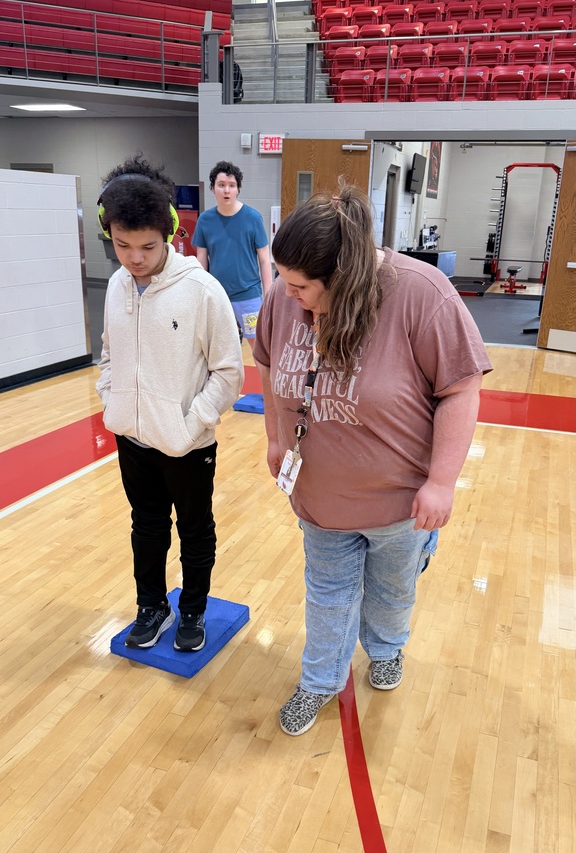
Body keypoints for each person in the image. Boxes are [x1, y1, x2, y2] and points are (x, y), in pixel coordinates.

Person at [253, 184, 492, 736]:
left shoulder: (420, 293)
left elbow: (461, 387)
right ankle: (319, 681)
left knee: (389, 597)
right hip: (322, 500)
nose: (289, 297)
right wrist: (275, 437)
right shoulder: (284, 295)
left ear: (345, 278)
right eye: (284, 283)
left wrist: (442, 482)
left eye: (303, 287)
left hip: (399, 504)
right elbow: (266, 363)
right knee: (329, 595)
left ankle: (387, 646)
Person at [96, 154, 243, 653]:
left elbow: (229, 371)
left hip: (187, 442)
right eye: (122, 245)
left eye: (147, 247)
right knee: (147, 525)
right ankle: (151, 606)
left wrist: (191, 423)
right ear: (109, 232)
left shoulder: (201, 290)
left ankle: (194, 611)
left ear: (171, 233)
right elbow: (109, 351)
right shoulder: (117, 285)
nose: (134, 258)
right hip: (132, 438)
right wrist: (111, 398)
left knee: (195, 530)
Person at [193, 161, 273, 353]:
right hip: (218, 295)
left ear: (238, 189)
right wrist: (199, 293)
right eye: (221, 185)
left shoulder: (253, 218)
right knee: (218, 348)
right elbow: (201, 260)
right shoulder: (205, 219)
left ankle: (267, 384)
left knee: (259, 349)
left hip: (248, 294)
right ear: (213, 188)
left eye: (231, 185)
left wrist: (268, 294)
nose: (226, 190)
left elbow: (264, 259)